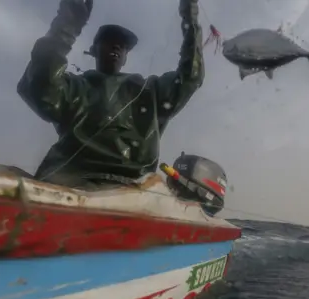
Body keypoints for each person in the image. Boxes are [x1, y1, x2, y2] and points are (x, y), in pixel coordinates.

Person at [17, 0, 204, 189]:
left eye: (122, 46)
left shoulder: (150, 91)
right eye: (109, 42)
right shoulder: (75, 87)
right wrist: (67, 24)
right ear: (94, 51)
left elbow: (191, 76)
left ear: (125, 57)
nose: (116, 47)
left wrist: (190, 16)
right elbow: (41, 86)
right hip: (69, 184)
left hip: (132, 190)